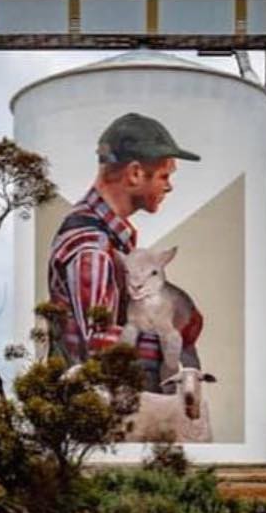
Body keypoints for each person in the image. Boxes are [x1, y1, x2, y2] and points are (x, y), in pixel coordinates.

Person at [46, 111, 202, 388]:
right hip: (98, 411)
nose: (170, 186)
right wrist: (177, 332)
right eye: (164, 175)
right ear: (134, 173)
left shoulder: (112, 239)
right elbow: (99, 346)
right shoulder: (91, 247)